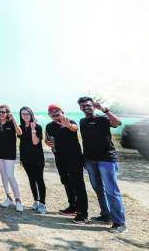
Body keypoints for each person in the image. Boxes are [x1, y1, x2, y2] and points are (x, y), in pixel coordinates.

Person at [78, 96, 127, 233]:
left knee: (112, 191)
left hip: (106, 160)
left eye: (88, 105)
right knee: (98, 189)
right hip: (90, 160)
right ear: (80, 108)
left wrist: (104, 109)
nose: (86, 107)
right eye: (83, 105)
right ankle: (106, 215)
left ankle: (120, 223)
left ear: (93, 106)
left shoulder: (102, 118)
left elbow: (118, 123)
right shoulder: (82, 121)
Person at [45, 104, 89, 224]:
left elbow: (74, 128)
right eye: (52, 114)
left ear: (62, 112)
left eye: (57, 112)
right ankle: (72, 206)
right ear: (49, 115)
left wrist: (67, 125)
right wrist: (47, 142)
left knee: (78, 184)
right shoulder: (49, 126)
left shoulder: (70, 121)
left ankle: (82, 214)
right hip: (59, 158)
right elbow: (48, 139)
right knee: (66, 181)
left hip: (74, 158)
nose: (55, 115)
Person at [0, 105, 24, 212]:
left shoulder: (11, 123)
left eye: (4, 112)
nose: (1, 114)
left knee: (10, 175)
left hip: (10, 154)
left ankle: (18, 200)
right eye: (0, 112)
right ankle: (9, 198)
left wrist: (13, 119)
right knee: (3, 175)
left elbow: (20, 133)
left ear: (7, 113)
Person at [18, 107, 46, 214]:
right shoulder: (20, 128)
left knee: (39, 180)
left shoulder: (38, 127)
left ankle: (42, 203)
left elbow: (35, 142)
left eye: (27, 113)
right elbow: (22, 142)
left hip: (37, 157)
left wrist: (33, 129)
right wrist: (21, 158)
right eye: (23, 114)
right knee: (31, 179)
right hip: (25, 158)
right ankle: (36, 200)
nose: (25, 116)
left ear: (31, 114)